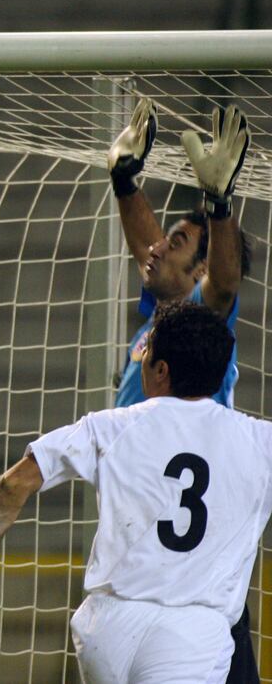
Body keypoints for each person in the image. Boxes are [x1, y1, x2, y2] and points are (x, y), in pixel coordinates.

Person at [0, 302, 272, 682]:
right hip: (191, 634)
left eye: (145, 354)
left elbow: (12, 484)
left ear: (161, 371)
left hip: (107, 628)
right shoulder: (259, 440)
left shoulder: (109, 427)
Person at [107, 97, 258, 680]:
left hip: (189, 567)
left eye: (177, 240)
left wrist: (219, 206)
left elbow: (221, 284)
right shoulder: (162, 319)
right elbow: (153, 254)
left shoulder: (202, 319)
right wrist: (125, 182)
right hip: (153, 549)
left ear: (199, 272)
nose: (158, 244)